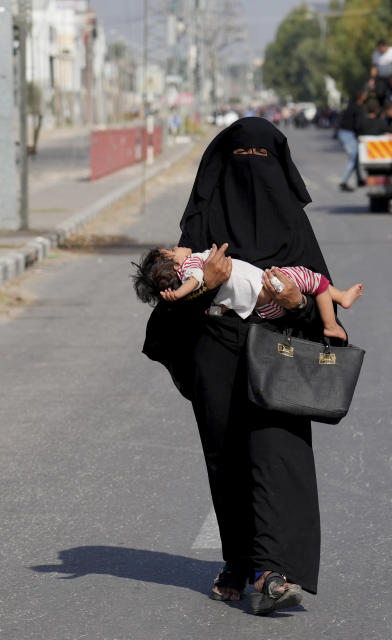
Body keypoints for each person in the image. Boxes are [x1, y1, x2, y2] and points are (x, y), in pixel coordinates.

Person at [141, 118, 343, 615]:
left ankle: (273, 571)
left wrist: (296, 299)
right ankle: (237, 562)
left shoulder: (294, 227)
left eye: (262, 160)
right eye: (240, 159)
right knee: (226, 458)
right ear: (219, 167)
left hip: (277, 350)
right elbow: (168, 303)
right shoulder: (198, 231)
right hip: (215, 349)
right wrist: (207, 284)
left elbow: (318, 294)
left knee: (277, 454)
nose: (251, 172)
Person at [133, 245, 363, 341]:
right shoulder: (192, 266)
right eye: (173, 249)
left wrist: (300, 304)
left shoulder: (191, 269)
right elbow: (194, 283)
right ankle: (336, 311)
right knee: (317, 281)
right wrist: (197, 288)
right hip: (268, 288)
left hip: (263, 311)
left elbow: (212, 308)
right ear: (175, 265)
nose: (178, 245)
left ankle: (335, 308)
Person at [337, 88, 366, 191]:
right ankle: (344, 182)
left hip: (344, 133)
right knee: (353, 158)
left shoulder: (350, 105)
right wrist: (361, 135)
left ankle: (359, 179)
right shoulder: (357, 108)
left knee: (356, 157)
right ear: (361, 97)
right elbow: (357, 125)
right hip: (347, 134)